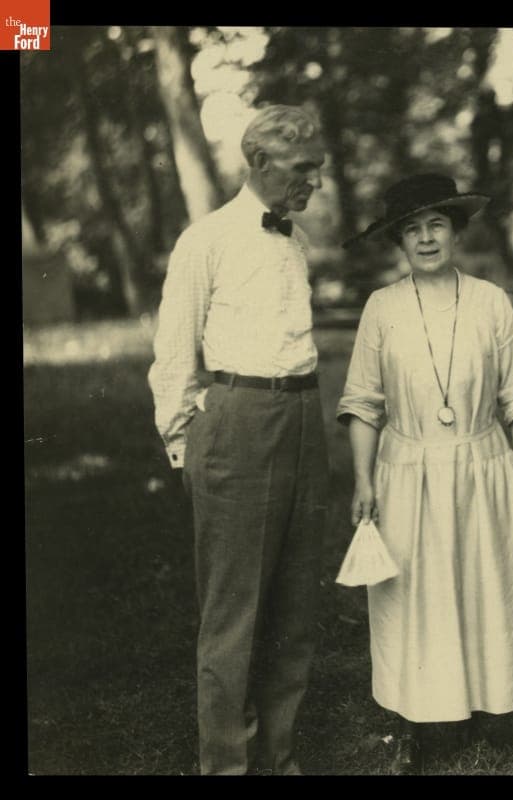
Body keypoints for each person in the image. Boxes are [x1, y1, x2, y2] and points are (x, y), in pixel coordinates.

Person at [338, 173, 513, 775]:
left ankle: (496, 703)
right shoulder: (383, 307)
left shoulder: (489, 300)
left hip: (483, 461)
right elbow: (363, 402)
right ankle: (431, 716)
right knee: (420, 594)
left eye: (436, 225)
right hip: (408, 466)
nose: (426, 239)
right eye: (412, 229)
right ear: (399, 242)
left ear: (455, 231)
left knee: (487, 581)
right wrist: (364, 480)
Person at [148, 105, 329, 775]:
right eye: (302, 167)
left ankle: (279, 760)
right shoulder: (207, 239)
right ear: (257, 162)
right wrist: (186, 441)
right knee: (234, 614)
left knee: (296, 609)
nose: (314, 179)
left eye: (319, 166)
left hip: (305, 418)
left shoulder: (296, 241)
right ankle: (227, 766)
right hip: (236, 422)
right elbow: (173, 350)